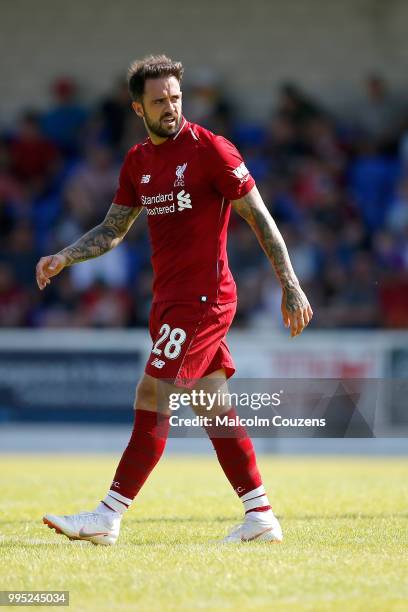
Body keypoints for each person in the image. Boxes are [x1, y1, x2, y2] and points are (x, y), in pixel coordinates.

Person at [36, 55, 313, 546]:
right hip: (169, 300)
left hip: (204, 298)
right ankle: (261, 516)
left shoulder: (211, 150)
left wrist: (289, 282)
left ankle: (107, 515)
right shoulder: (138, 161)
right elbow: (113, 228)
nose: (171, 107)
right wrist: (65, 256)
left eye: (176, 98)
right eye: (159, 100)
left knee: (152, 394)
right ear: (138, 108)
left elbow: (260, 217)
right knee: (212, 407)